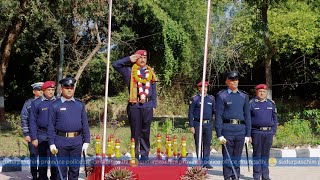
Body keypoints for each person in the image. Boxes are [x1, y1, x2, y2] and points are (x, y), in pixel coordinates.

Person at [112, 50, 157, 161]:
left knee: (146, 131)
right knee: (135, 132)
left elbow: (154, 90)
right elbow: (115, 65)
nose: (142, 59)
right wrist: (128, 59)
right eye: (140, 57)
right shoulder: (129, 71)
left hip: (147, 105)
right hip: (134, 105)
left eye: (144, 57)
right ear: (136, 59)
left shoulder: (150, 72)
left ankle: (145, 156)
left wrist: (154, 105)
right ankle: (135, 155)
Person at [48, 77, 90, 180]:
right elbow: (51, 126)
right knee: (60, 172)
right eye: (67, 87)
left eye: (71, 87)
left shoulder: (80, 104)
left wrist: (87, 141)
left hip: (76, 142)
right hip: (60, 142)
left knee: (74, 171)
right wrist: (51, 143)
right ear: (61, 89)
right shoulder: (55, 105)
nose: (69, 90)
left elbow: (85, 124)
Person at [215, 71, 251, 180]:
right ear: (226, 81)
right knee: (227, 158)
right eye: (231, 79)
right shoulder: (222, 96)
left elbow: (247, 116)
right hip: (227, 131)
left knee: (237, 158)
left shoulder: (244, 96)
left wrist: (248, 134)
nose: (234, 81)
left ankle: (236, 177)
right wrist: (219, 134)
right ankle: (227, 177)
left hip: (240, 131)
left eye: (236, 79)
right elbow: (218, 116)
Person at [29, 81, 57, 180]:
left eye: (53, 90)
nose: (51, 92)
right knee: (43, 161)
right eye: (49, 90)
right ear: (44, 90)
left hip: (55, 135)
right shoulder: (36, 103)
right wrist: (34, 137)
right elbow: (32, 122)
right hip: (42, 135)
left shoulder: (58, 102)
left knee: (55, 161)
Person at [250, 84, 277, 180]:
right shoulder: (252, 104)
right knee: (257, 154)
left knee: (266, 154)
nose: (262, 93)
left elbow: (275, 119)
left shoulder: (271, 104)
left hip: (268, 133)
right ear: (257, 92)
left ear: (266, 92)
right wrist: (248, 135)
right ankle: (256, 176)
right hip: (256, 132)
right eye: (260, 91)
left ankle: (265, 175)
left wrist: (273, 132)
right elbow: (248, 120)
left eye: (264, 91)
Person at [188, 81, 215, 169]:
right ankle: (199, 161)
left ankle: (206, 162)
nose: (204, 89)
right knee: (198, 143)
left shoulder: (211, 99)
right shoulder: (195, 99)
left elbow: (215, 110)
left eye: (206, 87)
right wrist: (191, 126)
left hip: (208, 124)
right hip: (198, 123)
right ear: (199, 88)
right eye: (202, 87)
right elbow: (190, 113)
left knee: (207, 143)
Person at [21, 82, 44, 180]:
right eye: (39, 90)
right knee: (34, 156)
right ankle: (34, 176)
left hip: (44, 134)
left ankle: (42, 176)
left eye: (42, 89)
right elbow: (24, 118)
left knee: (44, 156)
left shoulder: (48, 101)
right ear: (34, 91)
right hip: (32, 134)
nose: (41, 91)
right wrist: (26, 134)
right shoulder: (28, 103)